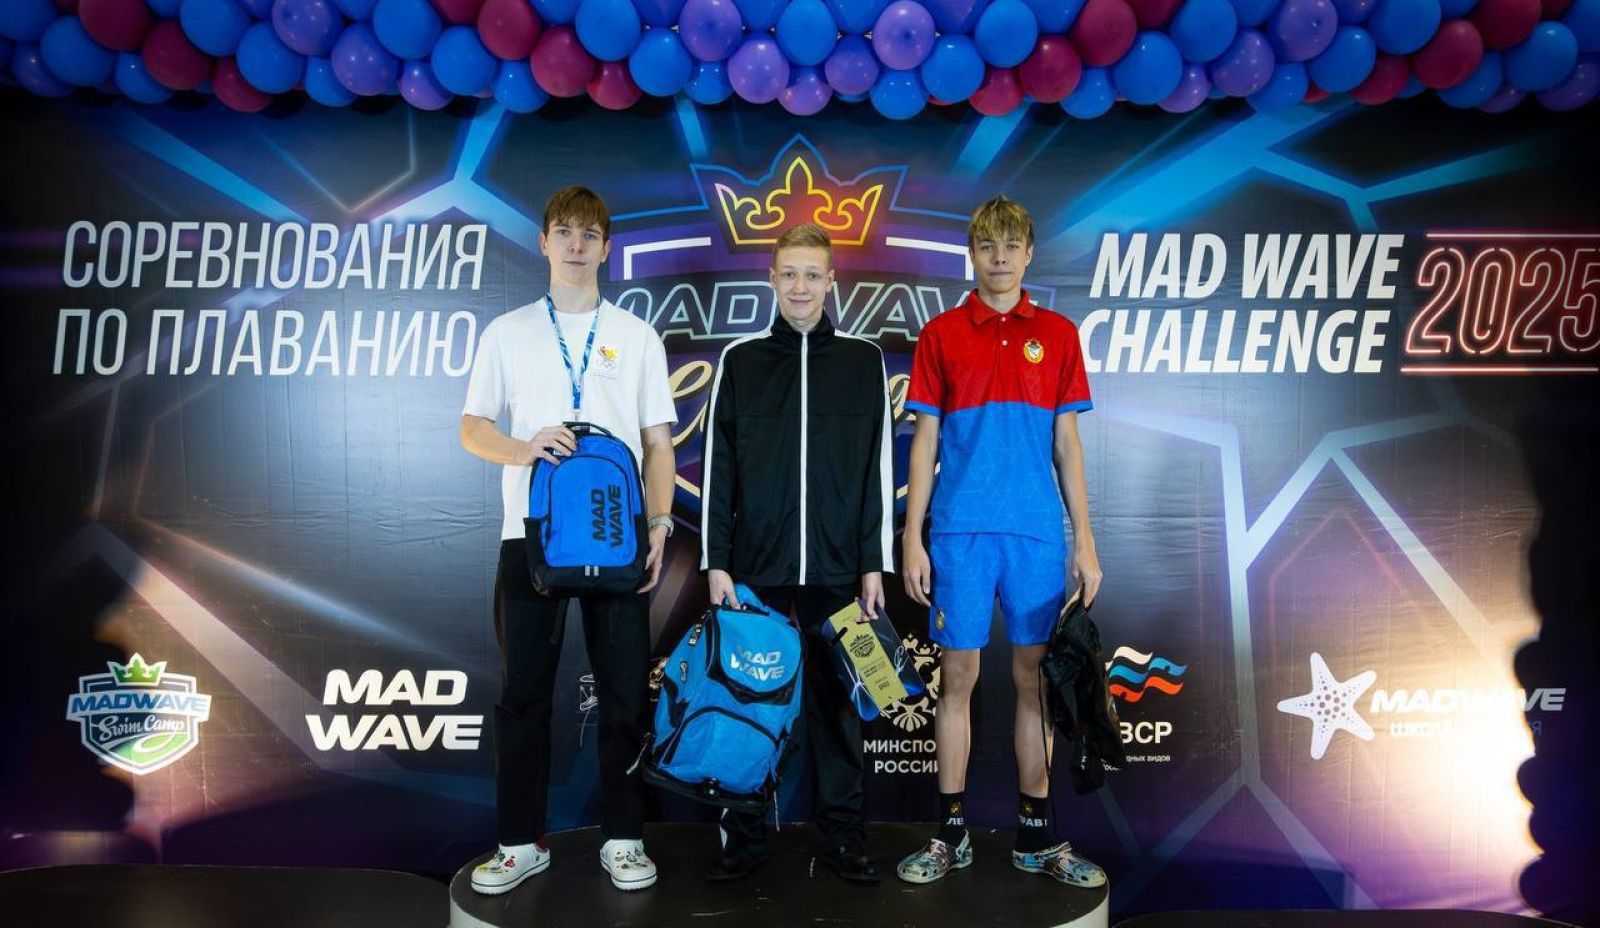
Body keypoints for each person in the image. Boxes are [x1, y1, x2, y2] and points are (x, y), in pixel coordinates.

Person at [459, 186, 678, 895]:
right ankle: (519, 843)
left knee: (624, 695)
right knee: (523, 694)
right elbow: (472, 428)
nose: (576, 245)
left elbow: (658, 445)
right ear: (545, 242)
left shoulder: (636, 335)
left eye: (589, 234)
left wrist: (659, 525)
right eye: (564, 232)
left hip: (617, 540)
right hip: (530, 541)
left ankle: (625, 838)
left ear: (607, 248)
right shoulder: (508, 332)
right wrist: (523, 447)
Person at [896, 195, 1107, 888]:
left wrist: (1084, 541)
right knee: (957, 678)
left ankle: (1036, 836)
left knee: (1034, 681)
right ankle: (950, 832)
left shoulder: (1059, 334)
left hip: (1036, 535)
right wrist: (912, 536)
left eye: (1011, 246)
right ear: (972, 253)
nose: (999, 258)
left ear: (1029, 253)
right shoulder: (940, 334)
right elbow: (924, 442)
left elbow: (1068, 444)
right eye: (987, 245)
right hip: (959, 532)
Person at [699, 223, 895, 884]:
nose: (801, 287)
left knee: (839, 710)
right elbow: (719, 470)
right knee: (749, 705)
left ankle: (842, 837)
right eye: (790, 274)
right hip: (756, 572)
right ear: (772, 280)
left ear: (832, 281)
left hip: (840, 572)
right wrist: (718, 563)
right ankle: (744, 836)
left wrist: (873, 563)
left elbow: (877, 470)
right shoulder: (742, 360)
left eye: (813, 274)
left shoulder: (863, 361)